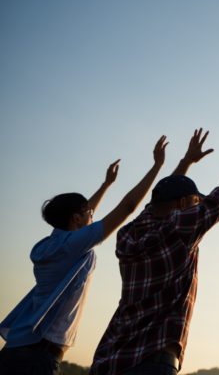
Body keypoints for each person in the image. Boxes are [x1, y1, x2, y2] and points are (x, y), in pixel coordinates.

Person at [90, 107, 219, 375]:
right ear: (182, 204)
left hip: (110, 358)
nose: (198, 207)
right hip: (152, 361)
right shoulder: (182, 226)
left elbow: (158, 198)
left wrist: (185, 162)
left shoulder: (130, 232)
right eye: (195, 202)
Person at [0, 136, 170, 375]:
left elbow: (82, 217)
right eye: (87, 212)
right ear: (76, 218)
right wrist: (157, 167)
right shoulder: (72, 245)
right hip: (38, 357)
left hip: (15, 349)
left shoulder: (51, 244)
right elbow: (127, 207)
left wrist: (106, 184)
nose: (92, 214)